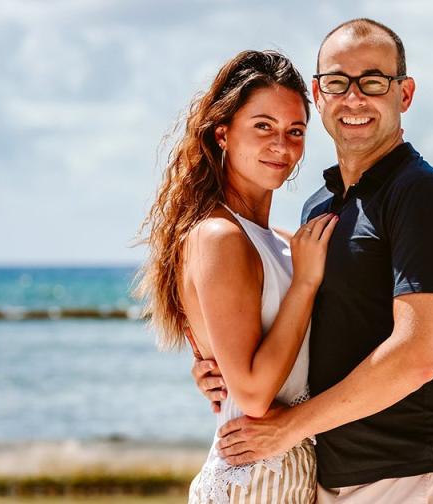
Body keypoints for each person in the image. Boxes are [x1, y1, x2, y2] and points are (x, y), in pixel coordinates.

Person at [193, 19, 433, 503]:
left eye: (373, 82)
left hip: (414, 475)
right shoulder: (319, 210)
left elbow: (416, 358)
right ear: (318, 94)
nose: (354, 98)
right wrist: (219, 364)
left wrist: (287, 429)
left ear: (404, 93)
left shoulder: (421, 195)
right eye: (337, 82)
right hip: (330, 476)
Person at [135, 49, 337, 503]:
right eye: (263, 126)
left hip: (288, 474)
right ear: (222, 132)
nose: (281, 145)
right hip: (251, 480)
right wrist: (305, 284)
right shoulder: (219, 236)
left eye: (295, 131)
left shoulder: (280, 241)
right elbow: (253, 395)